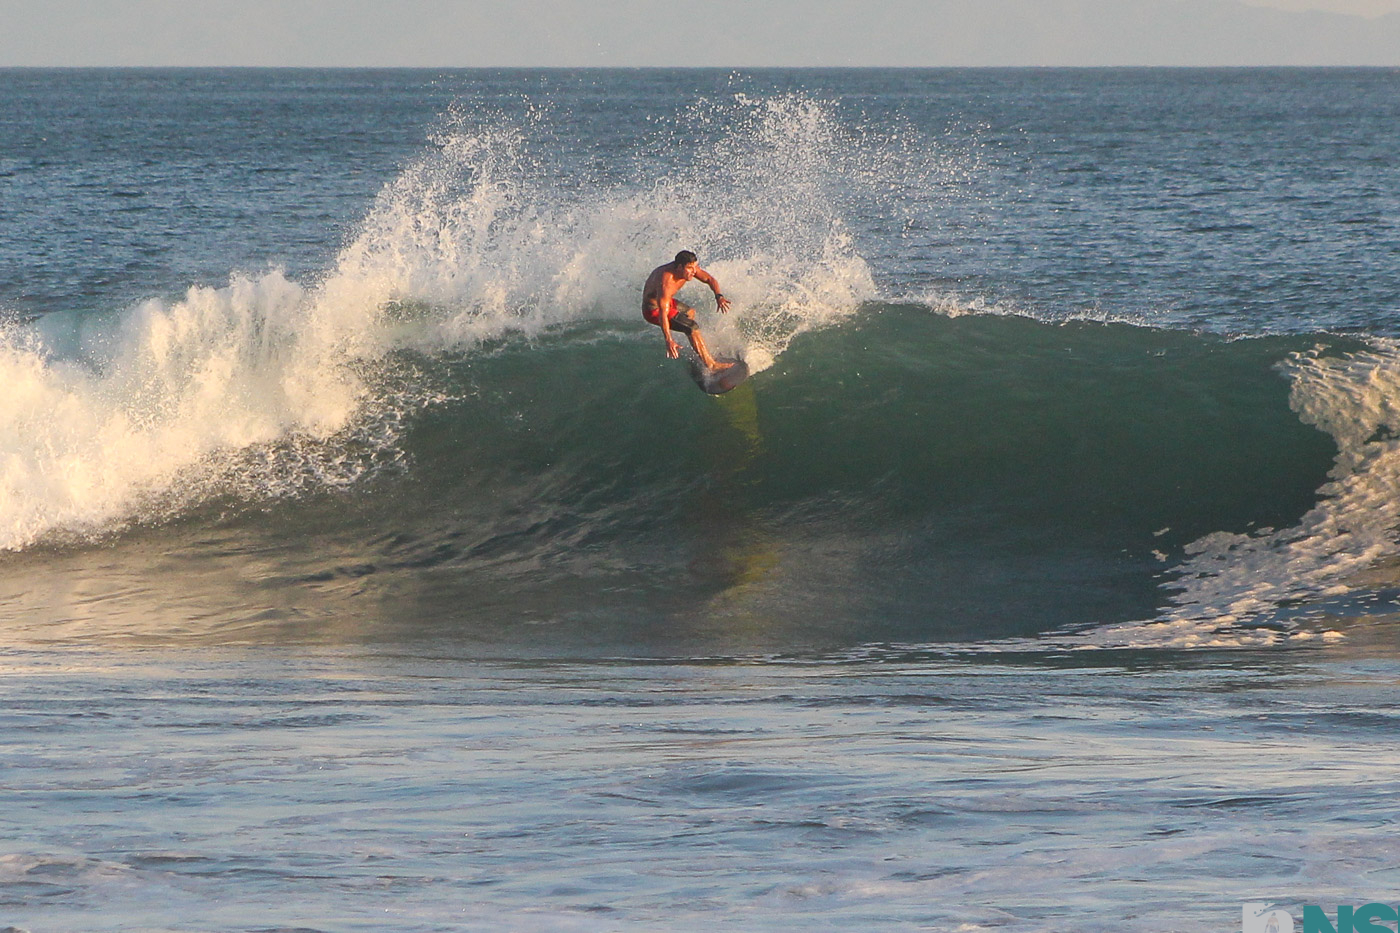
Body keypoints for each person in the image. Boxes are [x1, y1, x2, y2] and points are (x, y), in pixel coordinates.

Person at [642, 250, 733, 371]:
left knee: (690, 313)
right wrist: (669, 340)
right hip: (653, 310)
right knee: (692, 327)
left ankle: (697, 346)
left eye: (695, 266)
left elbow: (709, 279)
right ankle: (711, 365)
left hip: (667, 301)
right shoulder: (666, 282)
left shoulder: (689, 269)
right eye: (690, 268)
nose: (694, 271)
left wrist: (719, 296)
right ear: (679, 267)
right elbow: (663, 314)